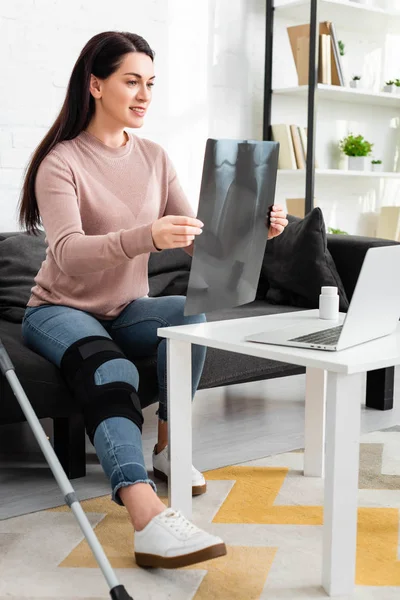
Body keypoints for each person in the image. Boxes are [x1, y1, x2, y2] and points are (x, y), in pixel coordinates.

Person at [18, 31, 288, 570]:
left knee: (190, 318)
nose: (144, 94)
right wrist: (147, 235)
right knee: (110, 366)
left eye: (150, 84)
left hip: (128, 305)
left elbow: (198, 239)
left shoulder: (155, 156)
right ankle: (144, 512)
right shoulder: (61, 162)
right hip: (59, 310)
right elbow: (68, 254)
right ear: (96, 85)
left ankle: (169, 446)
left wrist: (258, 229)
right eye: (131, 81)